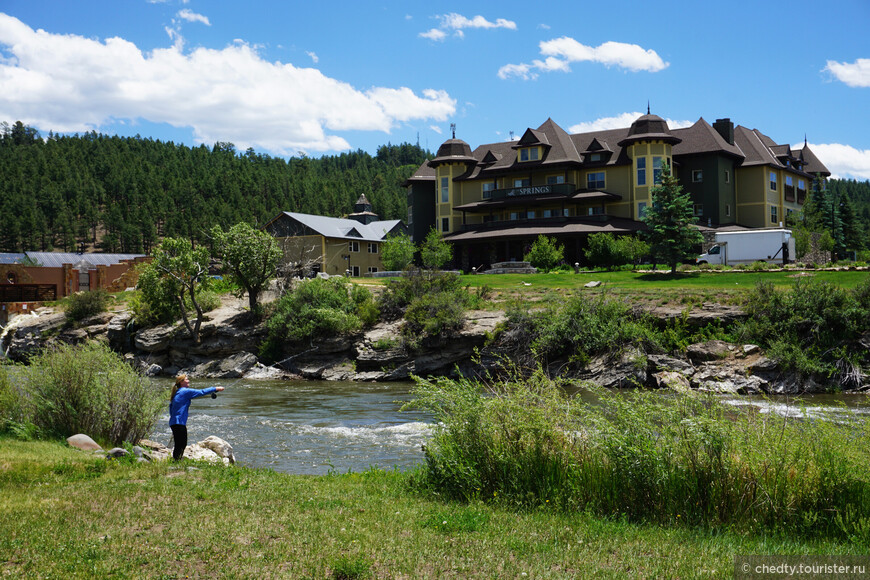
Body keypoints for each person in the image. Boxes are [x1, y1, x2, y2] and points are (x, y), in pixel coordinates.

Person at [169, 374, 224, 461]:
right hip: (179, 422)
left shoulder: (177, 393)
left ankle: (176, 460)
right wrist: (216, 388)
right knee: (182, 444)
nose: (189, 381)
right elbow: (201, 392)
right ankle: (176, 461)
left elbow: (171, 409)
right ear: (181, 382)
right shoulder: (184, 391)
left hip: (174, 422)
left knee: (179, 443)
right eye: (187, 379)